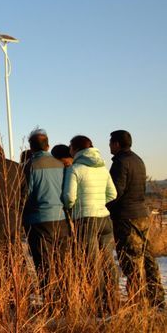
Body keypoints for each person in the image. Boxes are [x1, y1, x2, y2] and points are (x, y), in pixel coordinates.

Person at [106, 130, 164, 308]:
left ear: (116, 143)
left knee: (131, 260)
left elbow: (115, 192)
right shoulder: (138, 160)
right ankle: (157, 298)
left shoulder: (120, 163)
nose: (109, 145)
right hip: (141, 214)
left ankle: (138, 301)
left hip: (126, 217)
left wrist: (108, 207)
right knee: (147, 258)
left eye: (110, 142)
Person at [63, 135, 118, 315]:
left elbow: (69, 197)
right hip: (104, 218)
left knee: (92, 264)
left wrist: (72, 208)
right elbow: (113, 194)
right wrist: (99, 203)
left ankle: (99, 306)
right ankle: (113, 300)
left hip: (86, 220)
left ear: (75, 149)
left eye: (71, 147)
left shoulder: (75, 169)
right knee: (108, 262)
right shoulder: (102, 168)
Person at [22, 129, 70, 295]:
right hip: (61, 218)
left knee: (44, 263)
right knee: (61, 262)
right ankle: (65, 299)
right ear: (48, 145)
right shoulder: (61, 165)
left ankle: (50, 301)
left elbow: (25, 194)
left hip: (38, 220)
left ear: (31, 147)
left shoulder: (30, 167)